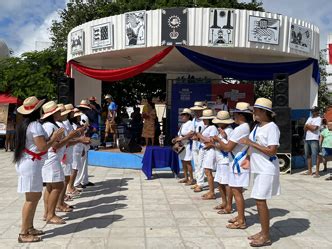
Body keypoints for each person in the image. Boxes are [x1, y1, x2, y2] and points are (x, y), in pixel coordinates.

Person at [14, 96, 63, 243]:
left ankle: (29, 227)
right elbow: (42, 147)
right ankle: (23, 232)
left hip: (29, 163)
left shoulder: (25, 124)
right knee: (31, 198)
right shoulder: (35, 125)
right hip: (31, 165)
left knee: (34, 197)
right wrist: (54, 137)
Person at [240, 98, 280, 247]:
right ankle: (263, 231)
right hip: (258, 168)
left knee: (260, 201)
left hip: (267, 169)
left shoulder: (272, 127)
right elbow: (253, 147)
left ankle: (266, 236)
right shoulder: (257, 127)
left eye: (256, 110)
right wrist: (248, 158)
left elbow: (272, 151)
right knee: (258, 200)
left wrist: (250, 143)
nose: (254, 113)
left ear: (264, 112)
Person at [40, 101, 79, 224]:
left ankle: (48, 213)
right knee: (57, 185)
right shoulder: (50, 126)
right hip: (52, 158)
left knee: (51, 187)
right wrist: (69, 136)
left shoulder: (51, 125)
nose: (60, 113)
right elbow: (55, 146)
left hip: (53, 157)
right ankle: (51, 214)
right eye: (58, 111)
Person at [215, 102, 252, 230]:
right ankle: (240, 216)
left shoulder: (241, 128)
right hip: (237, 162)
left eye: (235, 114)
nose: (233, 116)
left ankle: (241, 220)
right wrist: (224, 137)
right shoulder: (244, 127)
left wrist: (218, 139)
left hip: (237, 163)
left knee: (237, 192)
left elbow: (227, 148)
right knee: (237, 191)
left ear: (241, 115)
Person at [210, 111, 234, 214]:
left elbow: (226, 147)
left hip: (225, 160)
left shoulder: (229, 131)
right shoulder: (222, 130)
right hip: (220, 160)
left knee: (227, 183)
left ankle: (229, 205)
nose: (218, 124)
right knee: (220, 182)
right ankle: (224, 202)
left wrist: (215, 143)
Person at [195, 109, 218, 199]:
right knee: (205, 170)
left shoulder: (213, 128)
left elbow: (211, 140)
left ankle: (212, 192)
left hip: (210, 150)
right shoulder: (206, 127)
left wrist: (200, 136)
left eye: (205, 119)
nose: (203, 120)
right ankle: (210, 191)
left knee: (208, 171)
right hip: (204, 149)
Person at [67, 108, 90, 194]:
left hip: (78, 147)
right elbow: (75, 137)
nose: (80, 117)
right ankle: (70, 187)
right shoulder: (73, 126)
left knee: (76, 168)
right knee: (74, 168)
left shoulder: (76, 124)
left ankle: (71, 186)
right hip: (75, 148)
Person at [75, 99, 95, 188]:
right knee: (82, 163)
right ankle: (79, 181)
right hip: (82, 140)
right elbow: (84, 129)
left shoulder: (83, 116)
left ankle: (84, 180)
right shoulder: (84, 117)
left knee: (84, 162)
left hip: (82, 139)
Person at [173, 108, 194, 185]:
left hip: (187, 145)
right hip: (182, 145)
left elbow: (191, 133)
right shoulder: (183, 125)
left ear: (188, 116)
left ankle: (191, 178)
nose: (182, 116)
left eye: (184, 115)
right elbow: (180, 134)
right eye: (182, 115)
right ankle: (186, 177)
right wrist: (175, 139)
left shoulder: (191, 123)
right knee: (183, 161)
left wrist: (182, 138)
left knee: (188, 162)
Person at [189, 101, 207, 192]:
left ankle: (200, 183)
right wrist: (192, 135)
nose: (196, 112)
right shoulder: (194, 119)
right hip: (195, 144)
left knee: (201, 164)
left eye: (198, 110)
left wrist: (197, 135)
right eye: (195, 110)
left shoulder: (204, 120)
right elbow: (192, 130)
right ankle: (197, 181)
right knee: (196, 163)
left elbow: (205, 133)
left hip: (202, 144)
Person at [303, 106, 322, 176]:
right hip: (307, 138)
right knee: (308, 155)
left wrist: (308, 126)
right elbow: (304, 128)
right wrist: (308, 126)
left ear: (317, 111)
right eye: (311, 111)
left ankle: (317, 172)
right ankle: (309, 171)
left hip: (314, 138)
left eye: (313, 111)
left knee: (316, 155)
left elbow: (315, 128)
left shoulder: (319, 119)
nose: (311, 112)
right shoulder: (309, 118)